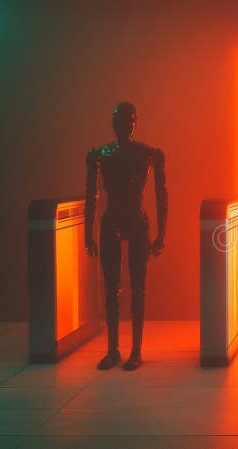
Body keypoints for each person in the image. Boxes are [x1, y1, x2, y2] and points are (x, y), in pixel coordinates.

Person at [84, 102, 168, 371]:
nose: (124, 127)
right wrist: (88, 233)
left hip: (135, 219)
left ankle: (134, 350)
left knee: (137, 289)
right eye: (120, 121)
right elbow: (92, 197)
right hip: (115, 221)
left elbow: (161, 194)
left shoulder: (147, 154)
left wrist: (161, 233)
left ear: (135, 123)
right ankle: (114, 350)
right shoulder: (101, 155)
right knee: (112, 289)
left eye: (129, 121)